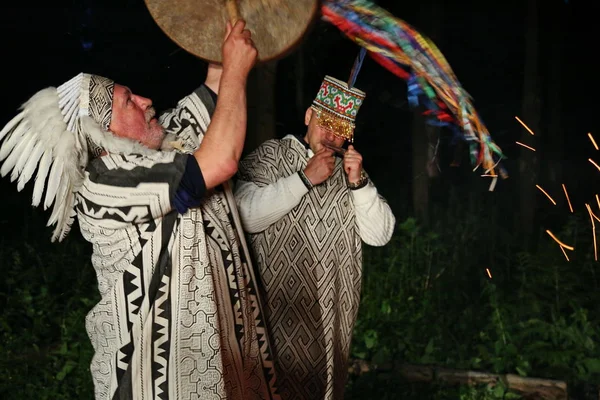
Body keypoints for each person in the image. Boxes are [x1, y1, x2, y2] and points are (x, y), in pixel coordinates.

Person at [0, 20, 280, 400]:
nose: (146, 101)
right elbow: (219, 161)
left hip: (218, 362)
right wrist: (236, 68)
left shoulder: (163, 143)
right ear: (103, 135)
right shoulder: (106, 181)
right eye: (128, 101)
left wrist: (225, 24)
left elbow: (218, 87)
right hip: (156, 381)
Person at [234, 75, 396, 399]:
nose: (333, 136)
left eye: (342, 129)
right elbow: (244, 214)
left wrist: (359, 183)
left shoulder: (352, 173)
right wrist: (303, 179)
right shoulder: (271, 156)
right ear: (309, 117)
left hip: (333, 321)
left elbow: (380, 234)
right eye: (326, 123)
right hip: (278, 315)